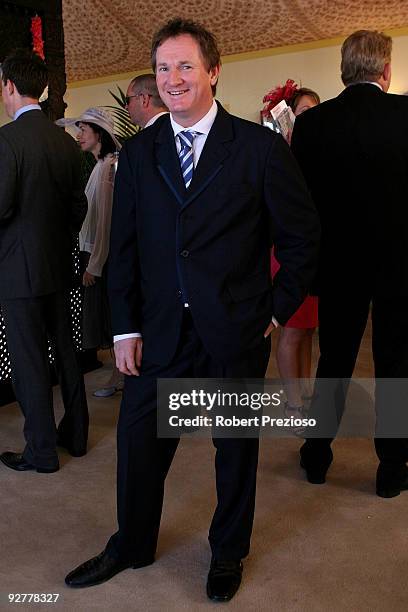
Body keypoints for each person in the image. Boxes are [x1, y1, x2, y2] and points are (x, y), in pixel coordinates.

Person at [65, 18, 320, 601]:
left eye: (184, 66)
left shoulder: (256, 149)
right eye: (162, 67)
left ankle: (227, 553)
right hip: (158, 334)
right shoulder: (140, 152)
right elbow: (125, 247)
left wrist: (276, 312)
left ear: (213, 72)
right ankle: (132, 543)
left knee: (233, 453)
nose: (172, 78)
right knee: (138, 446)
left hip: (233, 328)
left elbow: (303, 237)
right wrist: (124, 327)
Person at [291, 30, 408, 497]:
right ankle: (393, 467)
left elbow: (301, 203)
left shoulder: (313, 123)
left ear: (344, 69)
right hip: (400, 263)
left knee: (334, 359)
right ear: (386, 70)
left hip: (338, 263)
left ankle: (318, 454)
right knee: (397, 363)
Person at [0, 49, 89, 473]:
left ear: (10, 87)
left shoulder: (7, 140)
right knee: (66, 352)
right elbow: (78, 208)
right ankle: (76, 433)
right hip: (60, 263)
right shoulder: (65, 141)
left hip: (19, 270)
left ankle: (40, 450)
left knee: (28, 359)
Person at [57, 108, 123, 398]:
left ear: (99, 134)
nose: (79, 134)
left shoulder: (108, 167)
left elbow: (106, 221)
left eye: (84, 129)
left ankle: (121, 375)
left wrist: (94, 264)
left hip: (100, 257)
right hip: (92, 253)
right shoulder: (99, 166)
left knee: (110, 320)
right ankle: (119, 375)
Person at [269, 84, 320, 417]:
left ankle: (305, 388)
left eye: (315, 111)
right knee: (292, 327)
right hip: (287, 249)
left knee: (308, 329)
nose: (311, 118)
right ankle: (293, 401)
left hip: (315, 251)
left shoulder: (321, 150)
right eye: (304, 112)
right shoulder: (279, 151)